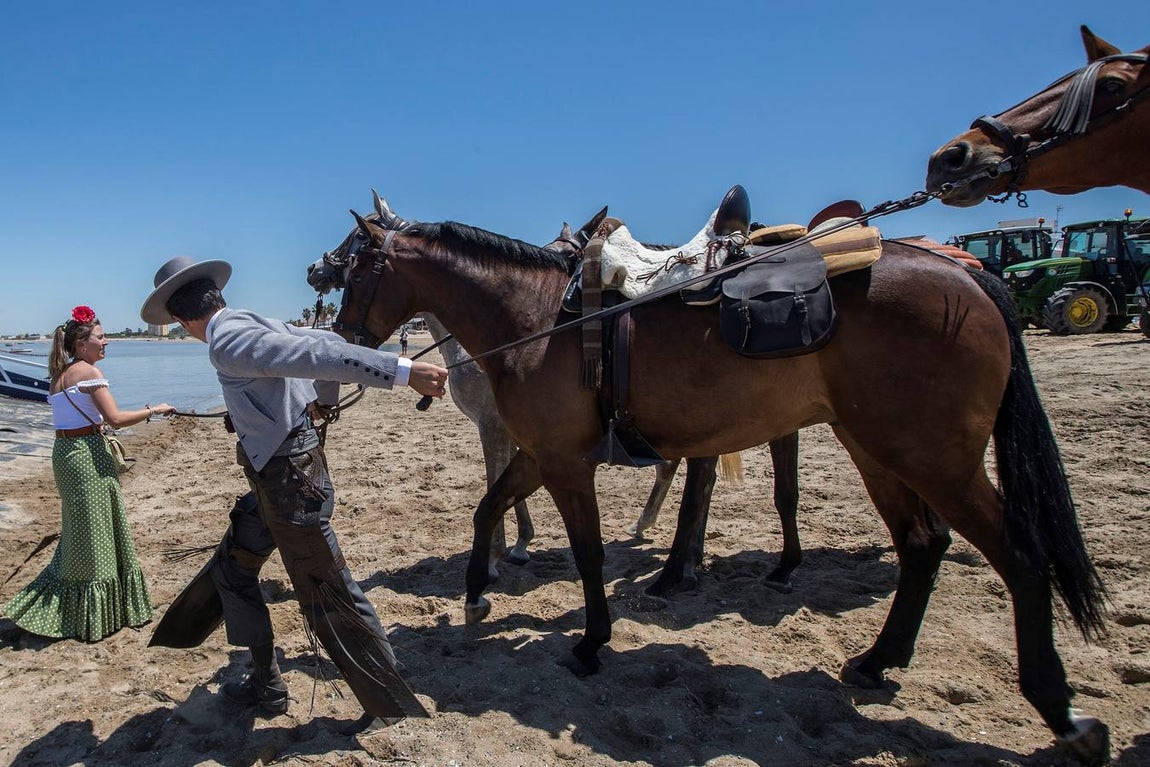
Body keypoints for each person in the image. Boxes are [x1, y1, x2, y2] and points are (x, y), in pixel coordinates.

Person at [140, 256, 448, 730]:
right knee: (233, 569)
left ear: (181, 320)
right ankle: (266, 684)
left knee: (328, 593)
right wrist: (319, 402)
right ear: (216, 297)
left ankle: (389, 705)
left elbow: (319, 355)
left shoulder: (227, 340)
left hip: (290, 487)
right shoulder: (249, 320)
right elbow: (325, 344)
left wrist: (403, 372)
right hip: (274, 481)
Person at [2, 306, 176, 642]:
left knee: (81, 530)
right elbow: (116, 420)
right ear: (82, 345)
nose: (106, 341)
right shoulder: (88, 373)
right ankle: (91, 615)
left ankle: (80, 604)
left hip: (65, 453)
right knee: (97, 530)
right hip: (86, 455)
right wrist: (154, 409)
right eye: (101, 336)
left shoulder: (60, 375)